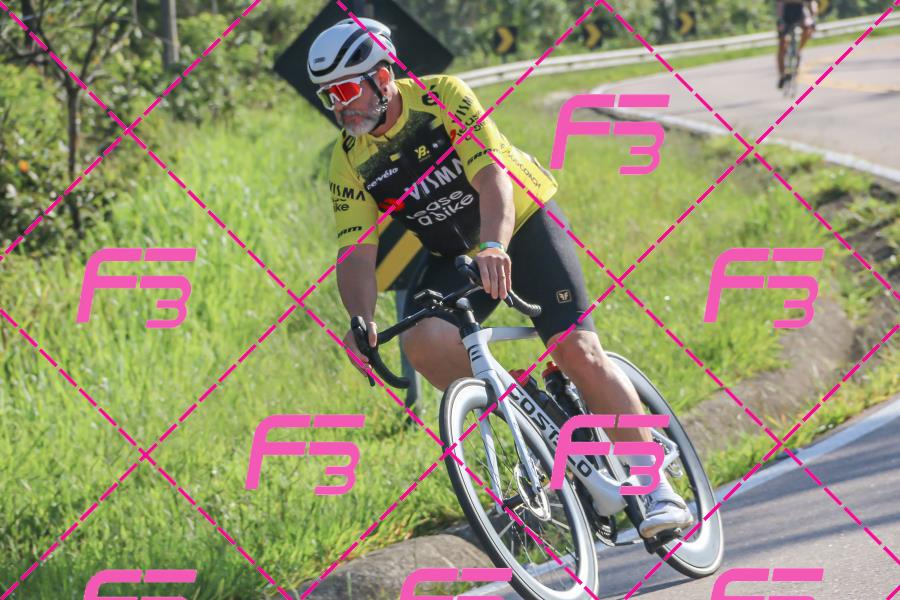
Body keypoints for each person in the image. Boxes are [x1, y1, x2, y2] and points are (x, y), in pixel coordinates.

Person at [308, 17, 693, 539]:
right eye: (328, 97)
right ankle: (537, 418)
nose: (339, 107)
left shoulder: (442, 97)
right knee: (424, 344)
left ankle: (656, 485)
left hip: (524, 222)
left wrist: (494, 245)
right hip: (453, 251)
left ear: (381, 76)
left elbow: (492, 176)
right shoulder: (349, 159)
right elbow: (356, 249)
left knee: (576, 349)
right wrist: (360, 319)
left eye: (345, 91)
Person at [776, 0, 819, 89]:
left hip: (800, 10)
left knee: (809, 27)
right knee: (782, 44)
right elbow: (779, 4)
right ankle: (782, 75)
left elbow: (812, 3)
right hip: (786, 11)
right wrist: (780, 20)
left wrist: (813, 15)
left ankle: (799, 51)